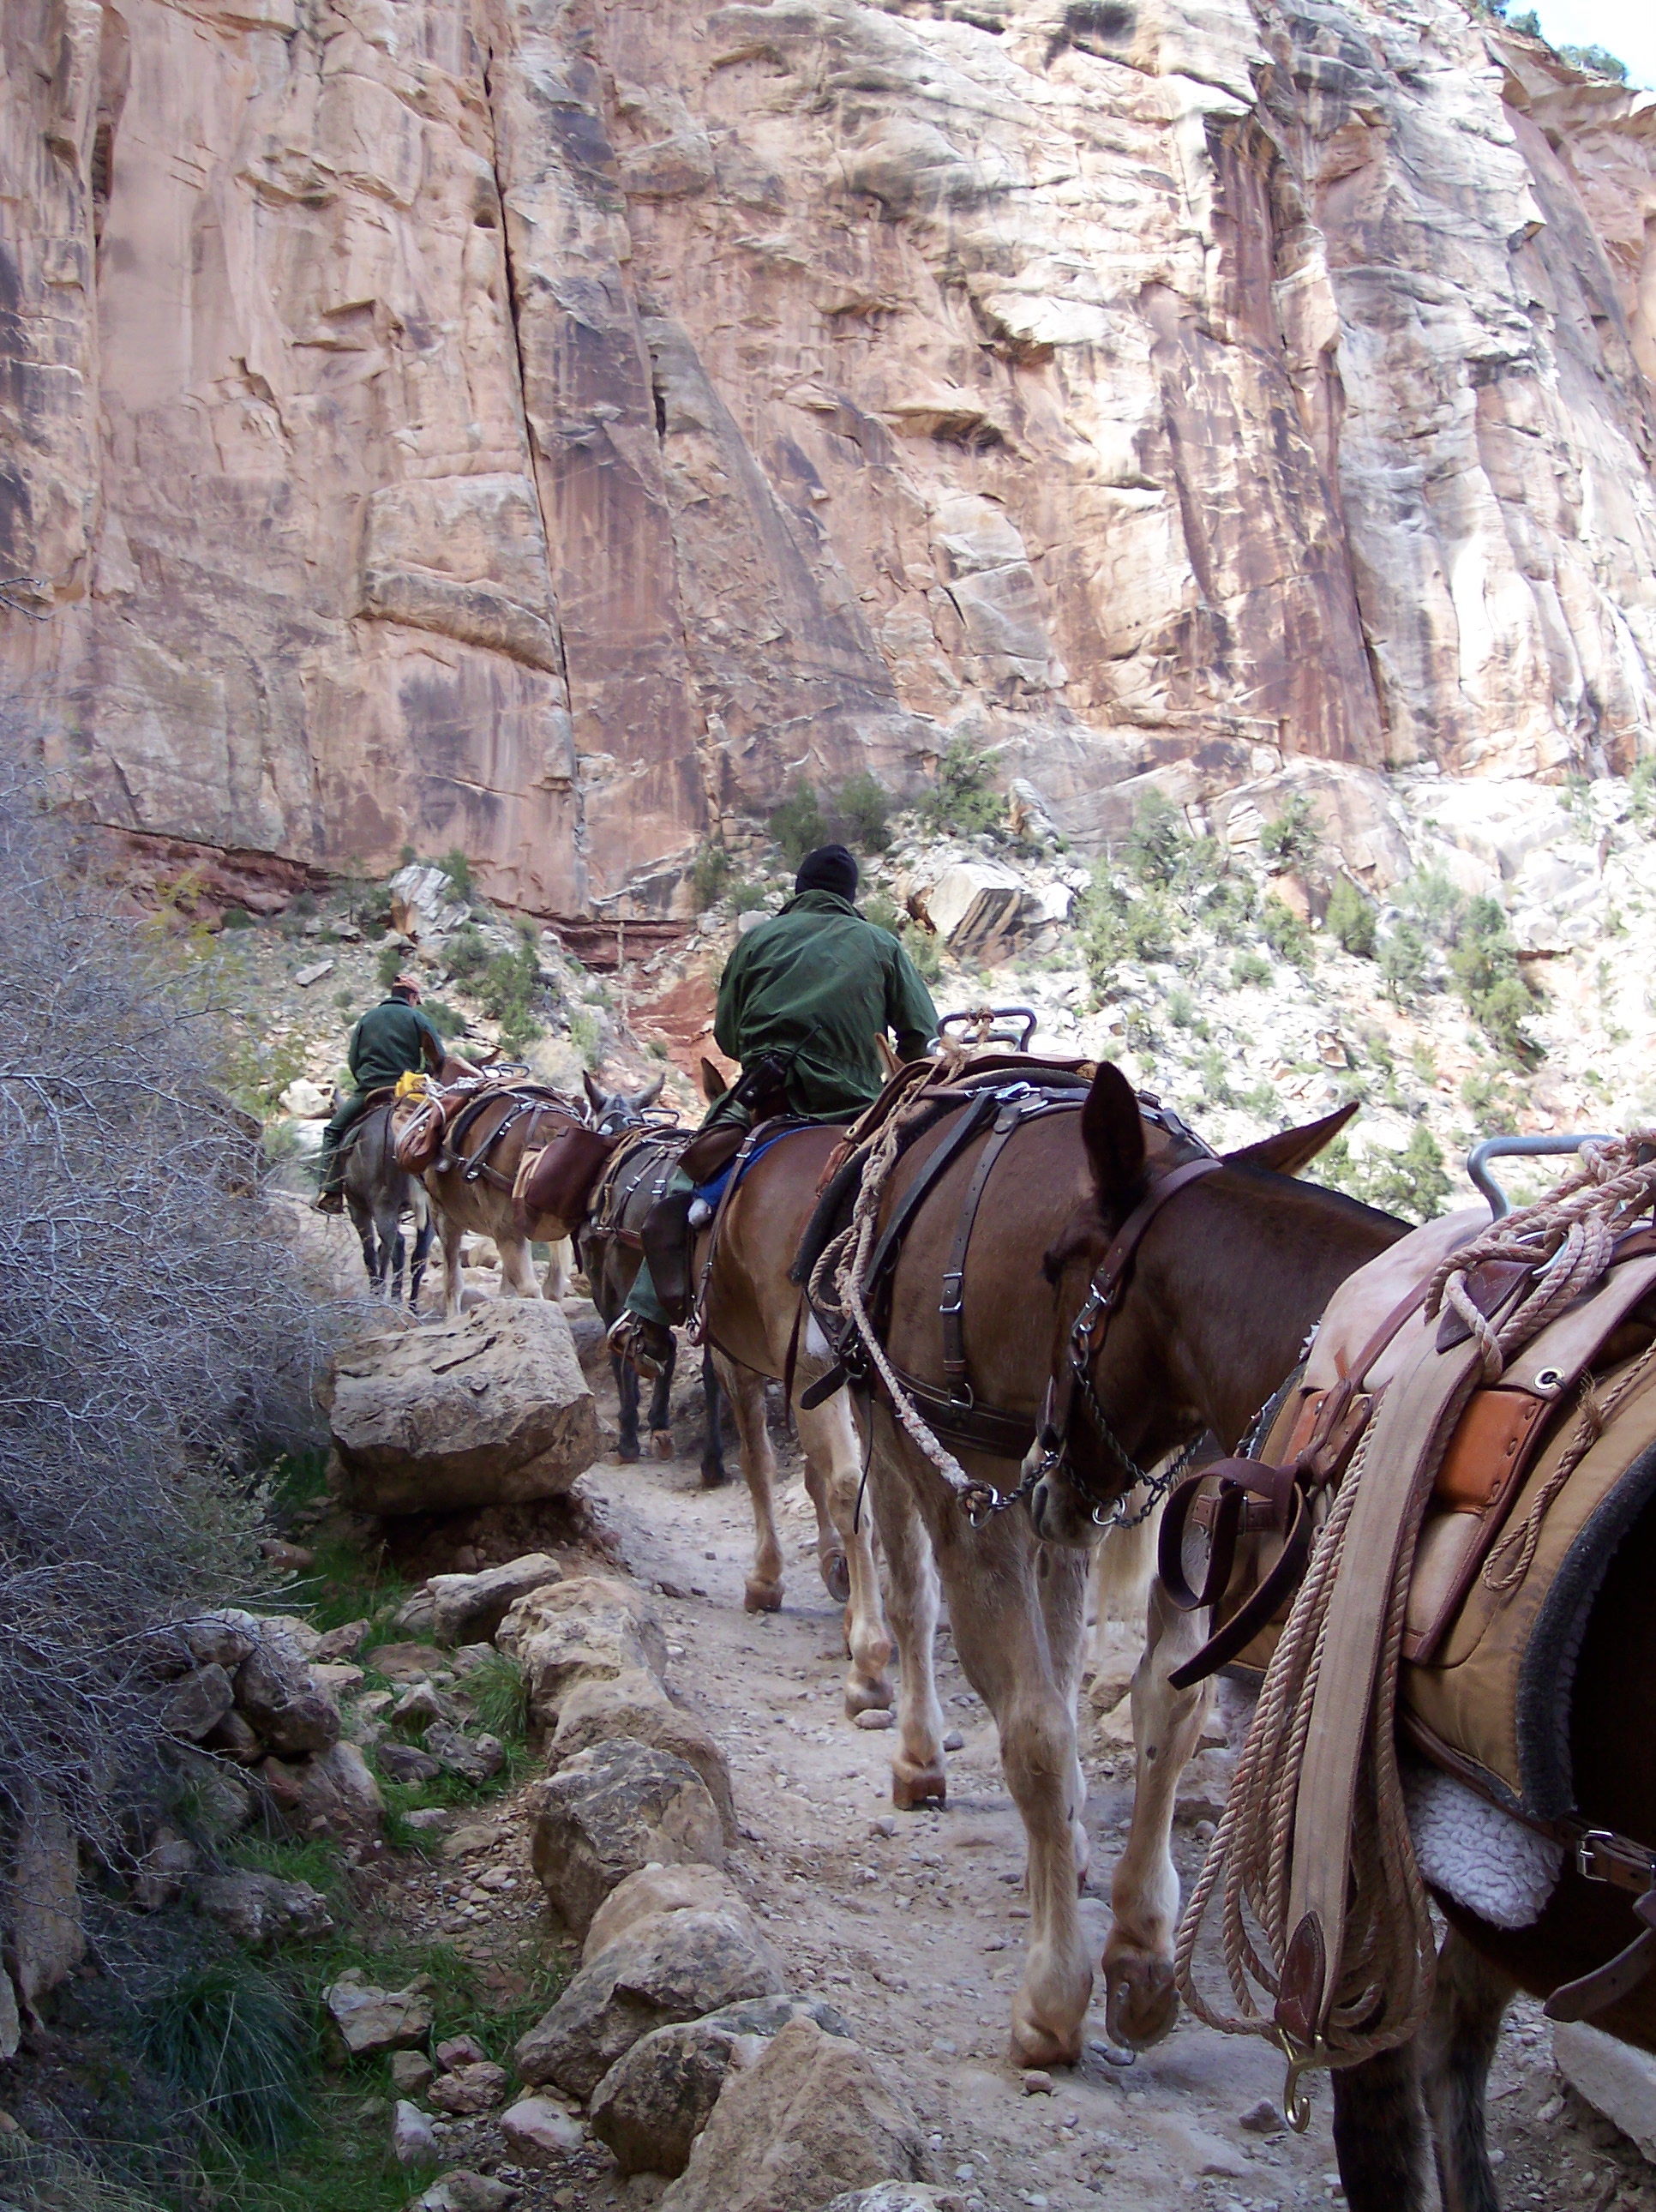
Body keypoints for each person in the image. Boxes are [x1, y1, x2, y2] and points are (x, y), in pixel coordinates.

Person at [609, 843, 939, 1371]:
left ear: (799, 889)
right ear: (850, 896)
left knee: (692, 1172)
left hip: (766, 1100)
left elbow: (728, 1034)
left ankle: (646, 1318)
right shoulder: (882, 944)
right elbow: (921, 1034)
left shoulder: (759, 939)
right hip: (858, 1107)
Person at [314, 975, 456, 1212]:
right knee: (447, 1128)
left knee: (333, 1131)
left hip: (370, 1091)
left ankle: (330, 1190)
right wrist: (426, 1074)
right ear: (412, 997)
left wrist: (365, 1081)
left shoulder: (367, 1019)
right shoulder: (418, 1019)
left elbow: (353, 1060)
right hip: (408, 1093)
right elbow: (438, 1058)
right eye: (416, 1000)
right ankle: (453, 1191)